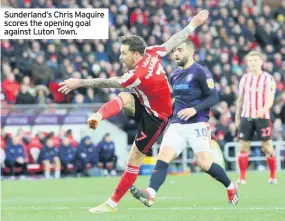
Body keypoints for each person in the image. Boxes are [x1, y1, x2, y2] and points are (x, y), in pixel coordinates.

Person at [59, 10, 209, 213]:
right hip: (144, 104)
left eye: (124, 53)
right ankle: (98, 115)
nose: (120, 57)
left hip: (157, 118)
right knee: (126, 98)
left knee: (134, 159)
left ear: (136, 55)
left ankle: (112, 204)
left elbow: (108, 82)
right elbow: (173, 41)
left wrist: (81, 83)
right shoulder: (152, 52)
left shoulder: (136, 75)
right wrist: (192, 24)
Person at [130, 39, 239, 207]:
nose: (175, 54)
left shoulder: (201, 72)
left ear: (191, 52)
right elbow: (178, 100)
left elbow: (213, 97)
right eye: (174, 51)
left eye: (179, 50)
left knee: (204, 164)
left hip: (198, 124)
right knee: (163, 157)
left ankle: (231, 186)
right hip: (177, 124)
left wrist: (195, 109)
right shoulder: (174, 75)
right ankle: (150, 193)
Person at [235, 51, 277, 184]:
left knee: (267, 147)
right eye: (250, 60)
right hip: (247, 117)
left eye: (255, 60)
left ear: (261, 62)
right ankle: (242, 178)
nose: (252, 63)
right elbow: (240, 100)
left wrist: (263, 109)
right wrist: (237, 117)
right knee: (243, 146)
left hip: (262, 117)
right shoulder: (245, 79)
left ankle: (272, 176)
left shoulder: (268, 79)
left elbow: (270, 99)